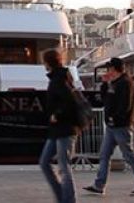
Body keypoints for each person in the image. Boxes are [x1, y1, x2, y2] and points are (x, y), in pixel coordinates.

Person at [83, 57, 134, 196]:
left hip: (121, 125)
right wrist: (104, 84)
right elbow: (105, 99)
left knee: (129, 155)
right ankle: (99, 185)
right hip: (111, 126)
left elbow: (125, 104)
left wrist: (116, 118)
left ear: (114, 69)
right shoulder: (113, 83)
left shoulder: (125, 83)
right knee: (105, 154)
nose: (108, 70)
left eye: (109, 68)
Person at [39, 49, 79, 203]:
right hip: (57, 129)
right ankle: (62, 197)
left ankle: (68, 200)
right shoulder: (58, 77)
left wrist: (57, 114)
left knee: (63, 166)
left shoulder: (59, 78)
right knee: (44, 162)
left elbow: (69, 101)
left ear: (48, 63)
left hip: (65, 128)